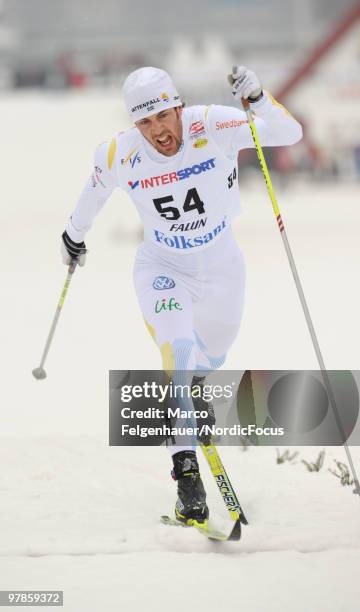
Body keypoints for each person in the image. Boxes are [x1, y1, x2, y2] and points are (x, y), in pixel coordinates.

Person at [61, 66, 302, 524]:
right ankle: (186, 478)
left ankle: (193, 393)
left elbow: (289, 133)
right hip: (162, 269)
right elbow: (93, 192)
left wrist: (257, 96)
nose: (157, 133)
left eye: (163, 117)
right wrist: (74, 236)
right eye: (145, 123)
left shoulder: (213, 123)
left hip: (222, 271)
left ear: (178, 107)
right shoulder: (118, 153)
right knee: (178, 354)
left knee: (209, 359)